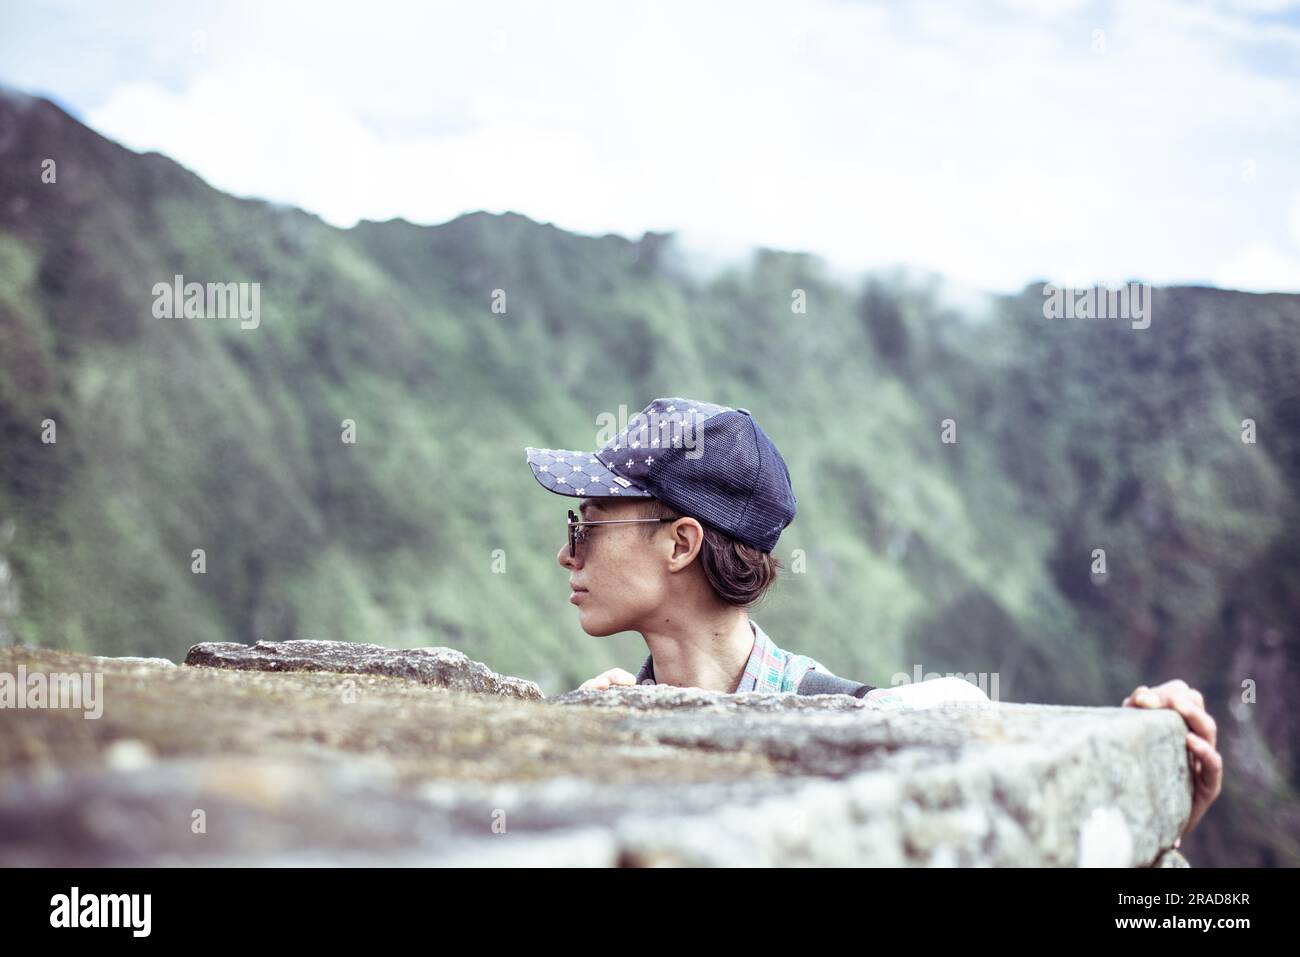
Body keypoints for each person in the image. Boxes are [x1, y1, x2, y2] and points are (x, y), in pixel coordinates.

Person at [523, 397, 1221, 841]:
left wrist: (1155, 797)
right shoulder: (615, 710)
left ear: (681, 542)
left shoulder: (842, 713)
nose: (565, 552)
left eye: (585, 525)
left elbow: (960, 706)